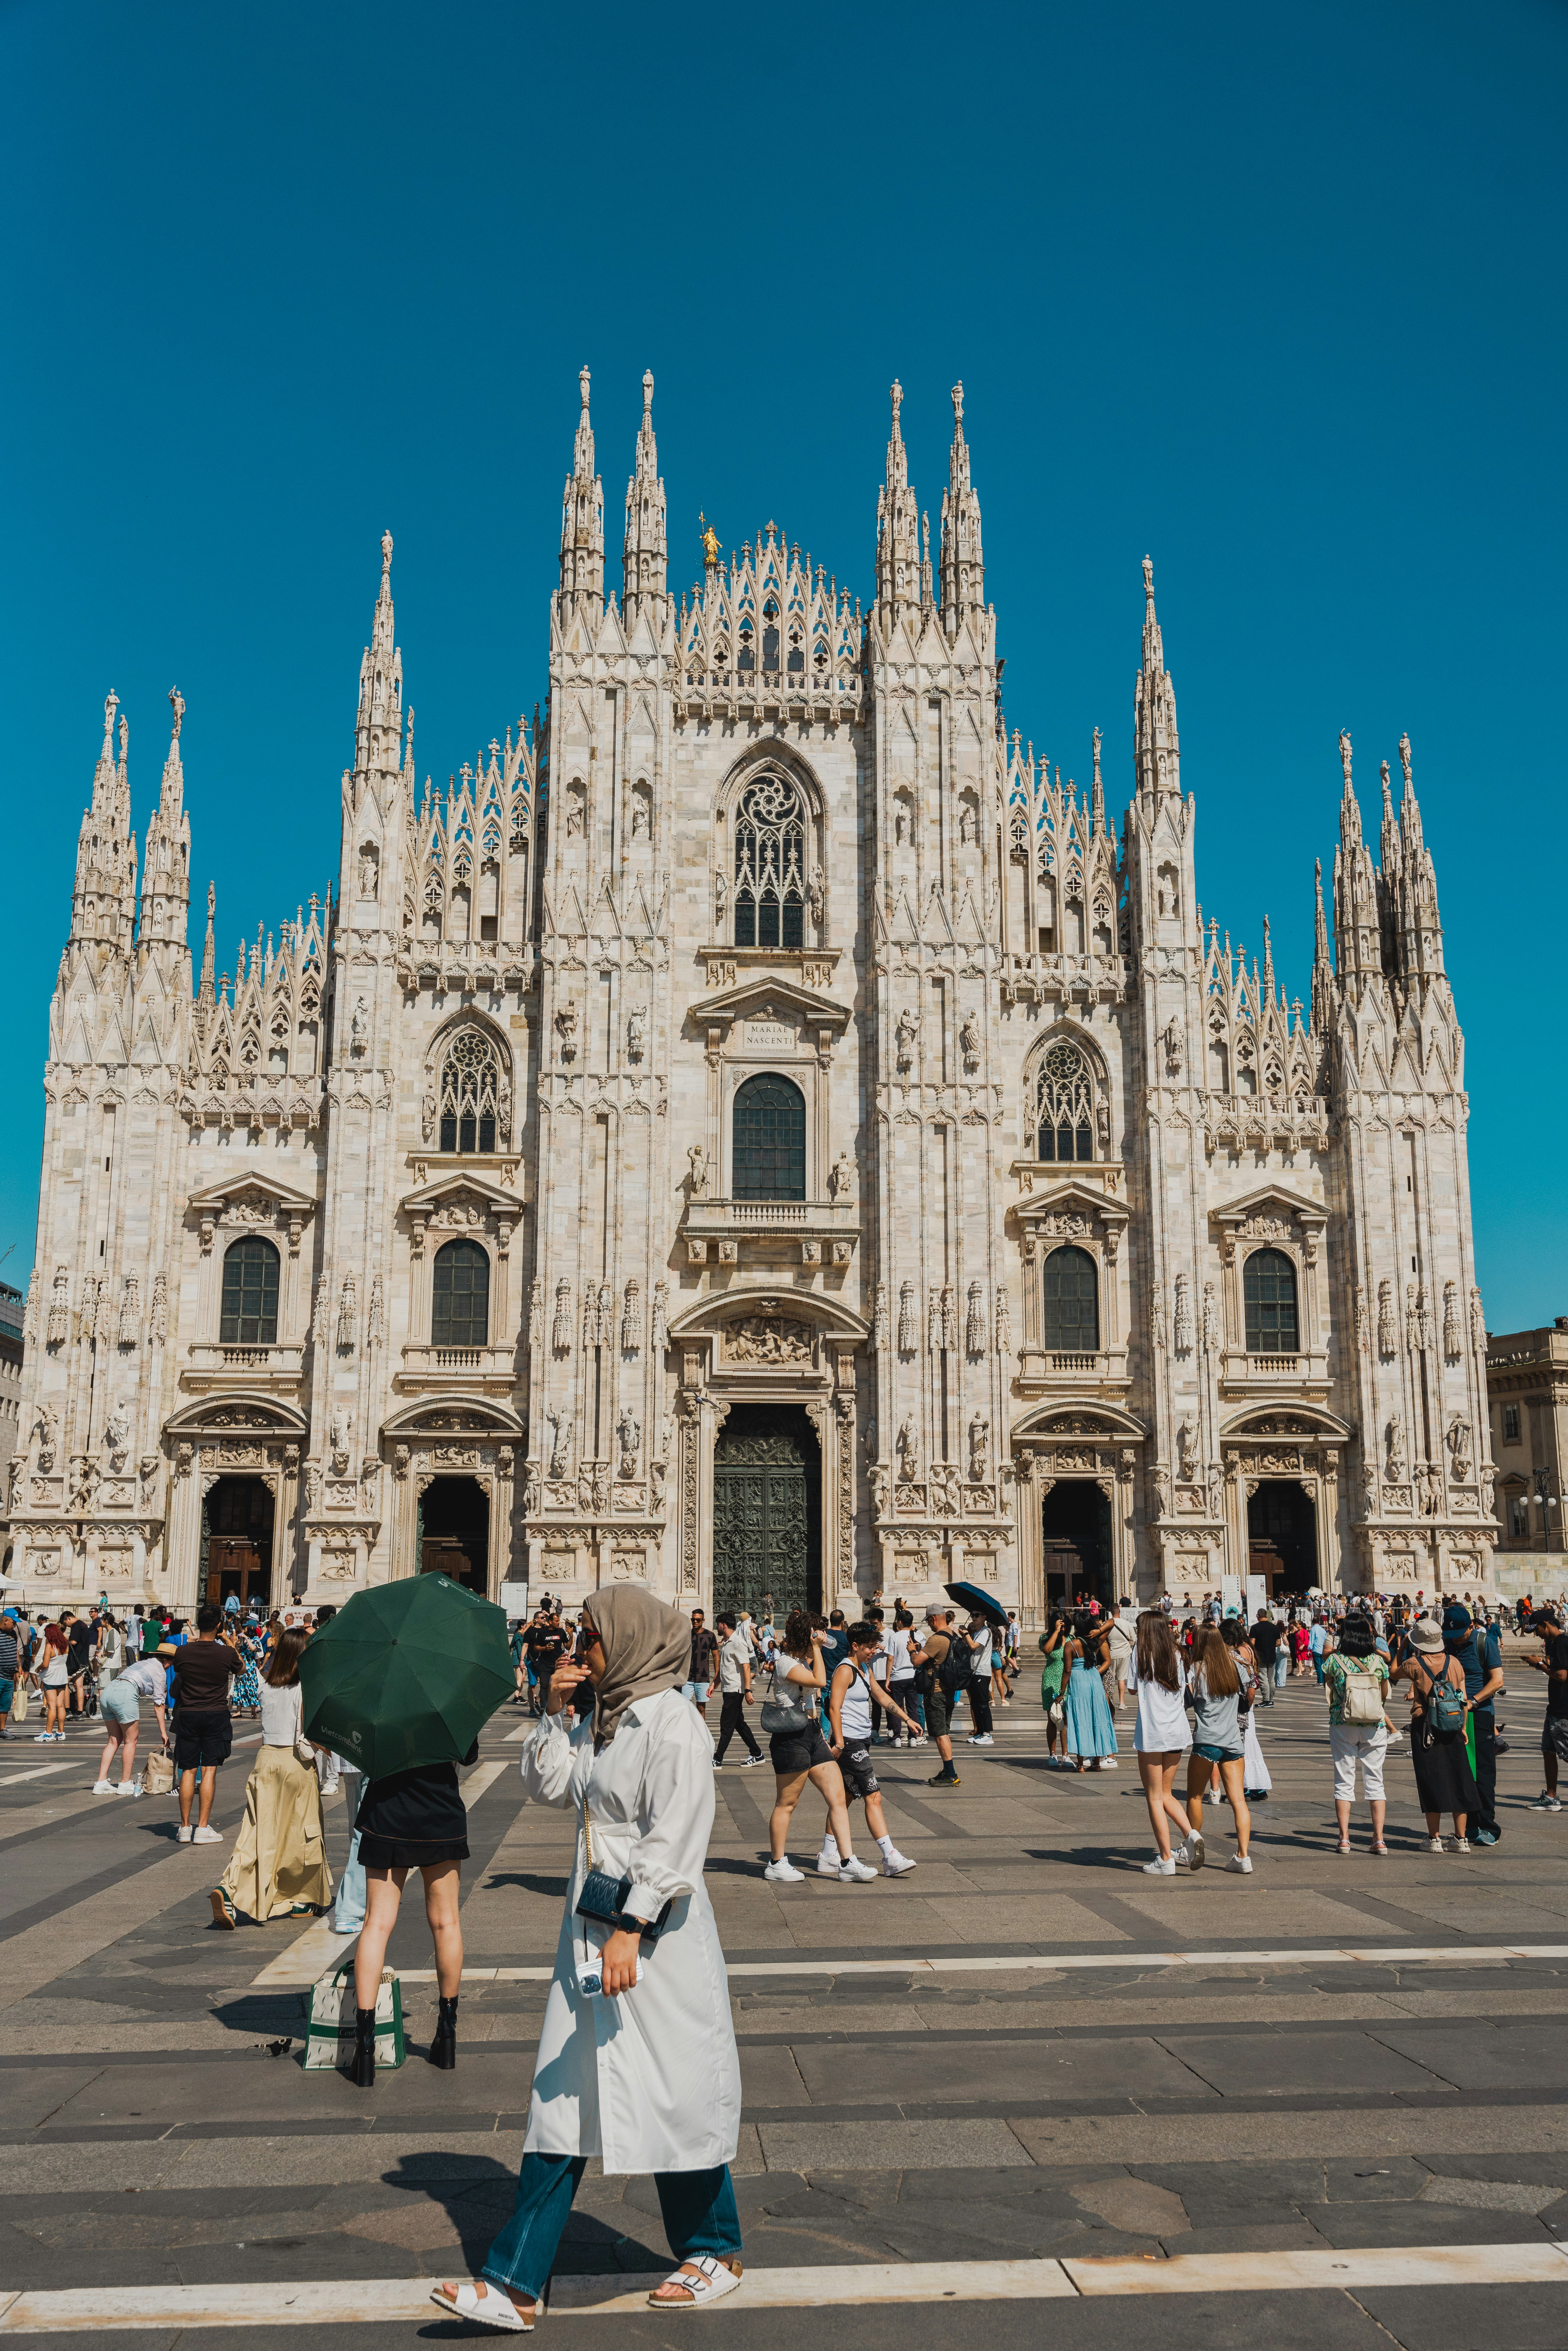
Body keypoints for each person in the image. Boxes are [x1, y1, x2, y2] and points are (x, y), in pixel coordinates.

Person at [433, 1588, 745, 2327]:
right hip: (593, 1928)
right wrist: (554, 1711)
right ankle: (514, 2283)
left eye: (593, 1637)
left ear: (632, 1640)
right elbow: (548, 1787)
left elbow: (678, 1837)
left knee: (673, 2088)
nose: (581, 1649)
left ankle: (715, 2247)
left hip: (652, 1936)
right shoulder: (606, 1719)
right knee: (563, 2096)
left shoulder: (673, 1724)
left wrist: (632, 1929)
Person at [349, 1719, 477, 2084]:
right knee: (446, 1922)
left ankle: (366, 2048)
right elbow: (468, 1753)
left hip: (388, 1813)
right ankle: (447, 2034)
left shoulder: (379, 1698)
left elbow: (363, 1756)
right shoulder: (447, 1697)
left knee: (377, 1923)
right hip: (440, 1810)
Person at [211, 1626, 333, 1925]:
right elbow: (312, 1735)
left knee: (256, 1830)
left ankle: (228, 1887)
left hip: (266, 1761)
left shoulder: (266, 1686)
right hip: (295, 1764)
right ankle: (301, 1898)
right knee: (300, 1831)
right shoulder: (305, 1689)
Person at [761, 1610, 875, 1882]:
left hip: (813, 1733)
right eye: (818, 1633)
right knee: (787, 1803)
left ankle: (847, 1861)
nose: (823, 1637)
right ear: (807, 1635)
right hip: (791, 1738)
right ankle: (776, 1863)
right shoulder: (786, 1663)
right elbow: (820, 1681)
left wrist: (817, 1648)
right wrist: (816, 1647)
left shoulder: (802, 1659)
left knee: (838, 1797)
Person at [817, 1621, 918, 1877]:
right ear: (855, 1646)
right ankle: (890, 1856)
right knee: (874, 1796)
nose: (875, 1651)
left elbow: (881, 1697)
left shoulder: (863, 1669)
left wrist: (907, 1720)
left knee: (846, 1798)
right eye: (870, 1647)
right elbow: (834, 1708)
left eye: (875, 1646)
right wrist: (839, 1742)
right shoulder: (845, 1670)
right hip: (850, 1742)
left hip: (861, 1741)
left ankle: (829, 1855)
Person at [1393, 1615, 1480, 1853]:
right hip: (1453, 1725)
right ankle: (1461, 1840)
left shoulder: (1414, 1663)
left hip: (1425, 1728)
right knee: (1459, 1779)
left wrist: (1401, 1648)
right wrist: (1463, 1728)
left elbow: (1392, 1674)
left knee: (1431, 1780)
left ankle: (1434, 1839)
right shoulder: (1454, 1662)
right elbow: (1462, 1699)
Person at [159, 1603, 242, 1842]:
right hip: (215, 1715)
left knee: (188, 1769)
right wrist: (228, 1640)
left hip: (188, 1715)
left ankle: (185, 1828)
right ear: (219, 1626)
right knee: (209, 1770)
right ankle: (203, 1828)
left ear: (197, 1624)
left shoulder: (183, 1652)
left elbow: (180, 1681)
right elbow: (243, 1669)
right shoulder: (226, 1653)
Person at [1182, 1627, 1254, 1872]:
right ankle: (1243, 1857)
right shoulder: (1235, 1666)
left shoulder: (1197, 1669)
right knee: (1239, 1801)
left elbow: (1186, 1701)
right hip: (1233, 1741)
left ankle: (1192, 1845)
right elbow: (1250, 1695)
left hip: (1207, 1741)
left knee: (1195, 1797)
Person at [1127, 1611, 1193, 1875]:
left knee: (1154, 1796)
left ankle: (1166, 1859)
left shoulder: (1141, 1654)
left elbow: (1132, 1689)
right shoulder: (1179, 1654)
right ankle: (1191, 1835)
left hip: (1153, 1733)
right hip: (1177, 1731)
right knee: (1167, 1793)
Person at [1321, 1612, 1390, 1854]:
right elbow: (1384, 1694)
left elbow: (1328, 1684)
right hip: (1374, 1726)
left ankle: (1344, 1839)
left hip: (1342, 1723)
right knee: (1375, 1781)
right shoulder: (1378, 1662)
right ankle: (1379, 1839)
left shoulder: (1335, 1661)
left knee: (1344, 1779)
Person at [1442, 1603, 1504, 1844]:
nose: (1456, 1641)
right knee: (1461, 1772)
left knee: (1484, 1773)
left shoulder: (1483, 1643)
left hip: (1479, 1715)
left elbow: (1497, 1680)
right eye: (1451, 1636)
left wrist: (1474, 1702)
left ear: (1471, 1626)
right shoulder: (1447, 1644)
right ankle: (1468, 1828)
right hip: (1453, 1716)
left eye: (1460, 1635)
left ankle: (1489, 1827)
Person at [907, 1605, 969, 1787]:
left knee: (940, 1734)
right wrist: (922, 1649)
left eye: (929, 1622)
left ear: (934, 1619)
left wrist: (913, 1650)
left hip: (936, 1692)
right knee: (944, 1732)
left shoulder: (936, 1639)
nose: (929, 1625)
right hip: (949, 1691)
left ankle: (950, 1774)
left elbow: (917, 1661)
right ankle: (948, 1771)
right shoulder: (954, 1635)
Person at [93, 1648, 169, 1793]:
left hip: (109, 1691)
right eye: (170, 1664)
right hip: (126, 1693)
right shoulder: (160, 1671)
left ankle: (101, 1783)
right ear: (166, 1661)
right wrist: (164, 1732)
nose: (169, 1668)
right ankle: (125, 1783)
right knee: (131, 1741)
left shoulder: (143, 1663)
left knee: (113, 1741)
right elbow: (159, 1704)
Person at [1060, 1613, 1119, 1772]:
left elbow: (1067, 1671)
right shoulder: (1095, 1642)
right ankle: (1097, 1763)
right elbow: (1112, 1621)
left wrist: (1061, 1693)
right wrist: (1099, 1631)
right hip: (1094, 1679)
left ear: (1076, 1628)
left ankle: (1081, 1765)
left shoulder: (1070, 1645)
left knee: (1081, 1719)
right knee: (1096, 1718)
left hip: (1078, 1681)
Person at [1524, 1605, 1568, 1810]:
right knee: (1548, 1751)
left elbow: (1562, 1675)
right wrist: (1543, 1661)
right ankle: (1551, 1797)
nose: (1536, 1634)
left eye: (1537, 1629)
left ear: (1546, 1625)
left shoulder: (1561, 1642)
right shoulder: (1554, 1644)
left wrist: (1539, 1665)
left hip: (1563, 1710)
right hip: (1555, 1709)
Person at [710, 1611, 764, 1768]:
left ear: (724, 1625)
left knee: (726, 1725)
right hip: (728, 1690)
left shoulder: (738, 1643)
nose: (717, 1627)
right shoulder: (727, 1643)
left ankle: (717, 1759)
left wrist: (747, 1690)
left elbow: (746, 1667)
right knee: (739, 1724)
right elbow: (725, 1668)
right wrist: (715, 1684)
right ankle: (757, 1754)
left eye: (718, 1625)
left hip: (735, 1691)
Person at [884, 1608, 923, 1747]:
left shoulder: (894, 1637)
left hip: (897, 1677)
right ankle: (913, 1738)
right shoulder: (917, 1636)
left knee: (897, 1708)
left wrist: (888, 1678)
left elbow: (890, 1659)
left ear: (900, 1622)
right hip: (913, 1676)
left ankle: (897, 1738)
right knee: (913, 1708)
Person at [1039, 1613, 1071, 1767]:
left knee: (1065, 1720)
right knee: (1053, 1719)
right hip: (1051, 1682)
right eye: (1060, 1625)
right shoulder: (1045, 1639)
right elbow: (1047, 1651)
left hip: (1067, 1683)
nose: (1063, 1629)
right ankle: (1053, 1754)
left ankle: (1066, 1755)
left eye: (1064, 1626)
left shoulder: (1071, 1640)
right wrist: (1056, 1632)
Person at [35, 1619, 70, 1742]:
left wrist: (38, 1668)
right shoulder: (65, 1644)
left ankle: (48, 1733)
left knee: (52, 1706)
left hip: (51, 1678)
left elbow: (45, 1664)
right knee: (61, 1706)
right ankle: (61, 1732)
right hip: (63, 1677)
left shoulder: (50, 1646)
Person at [963, 1615, 996, 1746]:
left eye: (977, 1615)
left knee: (983, 1704)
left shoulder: (986, 1631)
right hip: (974, 1671)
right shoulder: (977, 1632)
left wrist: (966, 1633)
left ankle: (987, 1734)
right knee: (975, 1704)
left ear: (984, 1617)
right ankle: (980, 1733)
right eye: (972, 1615)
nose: (974, 1618)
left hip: (983, 1672)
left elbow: (973, 1646)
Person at [681, 1608, 719, 1722]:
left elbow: (716, 1657)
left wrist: (717, 1677)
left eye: (698, 1620)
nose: (695, 1622)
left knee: (701, 1708)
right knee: (685, 1706)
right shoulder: (686, 1635)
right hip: (687, 1677)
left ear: (703, 1620)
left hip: (703, 1677)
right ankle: (687, 1730)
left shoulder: (710, 1636)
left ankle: (701, 1731)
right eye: (693, 1620)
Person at [1250, 1609, 1279, 1704]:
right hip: (1272, 1656)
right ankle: (1271, 1700)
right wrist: (1270, 1645)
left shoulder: (1255, 1628)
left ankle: (1266, 1700)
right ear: (1267, 1616)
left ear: (1258, 1616)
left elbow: (1252, 1643)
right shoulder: (1275, 1628)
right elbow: (1279, 1643)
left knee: (1263, 1678)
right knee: (1271, 1679)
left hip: (1260, 1656)